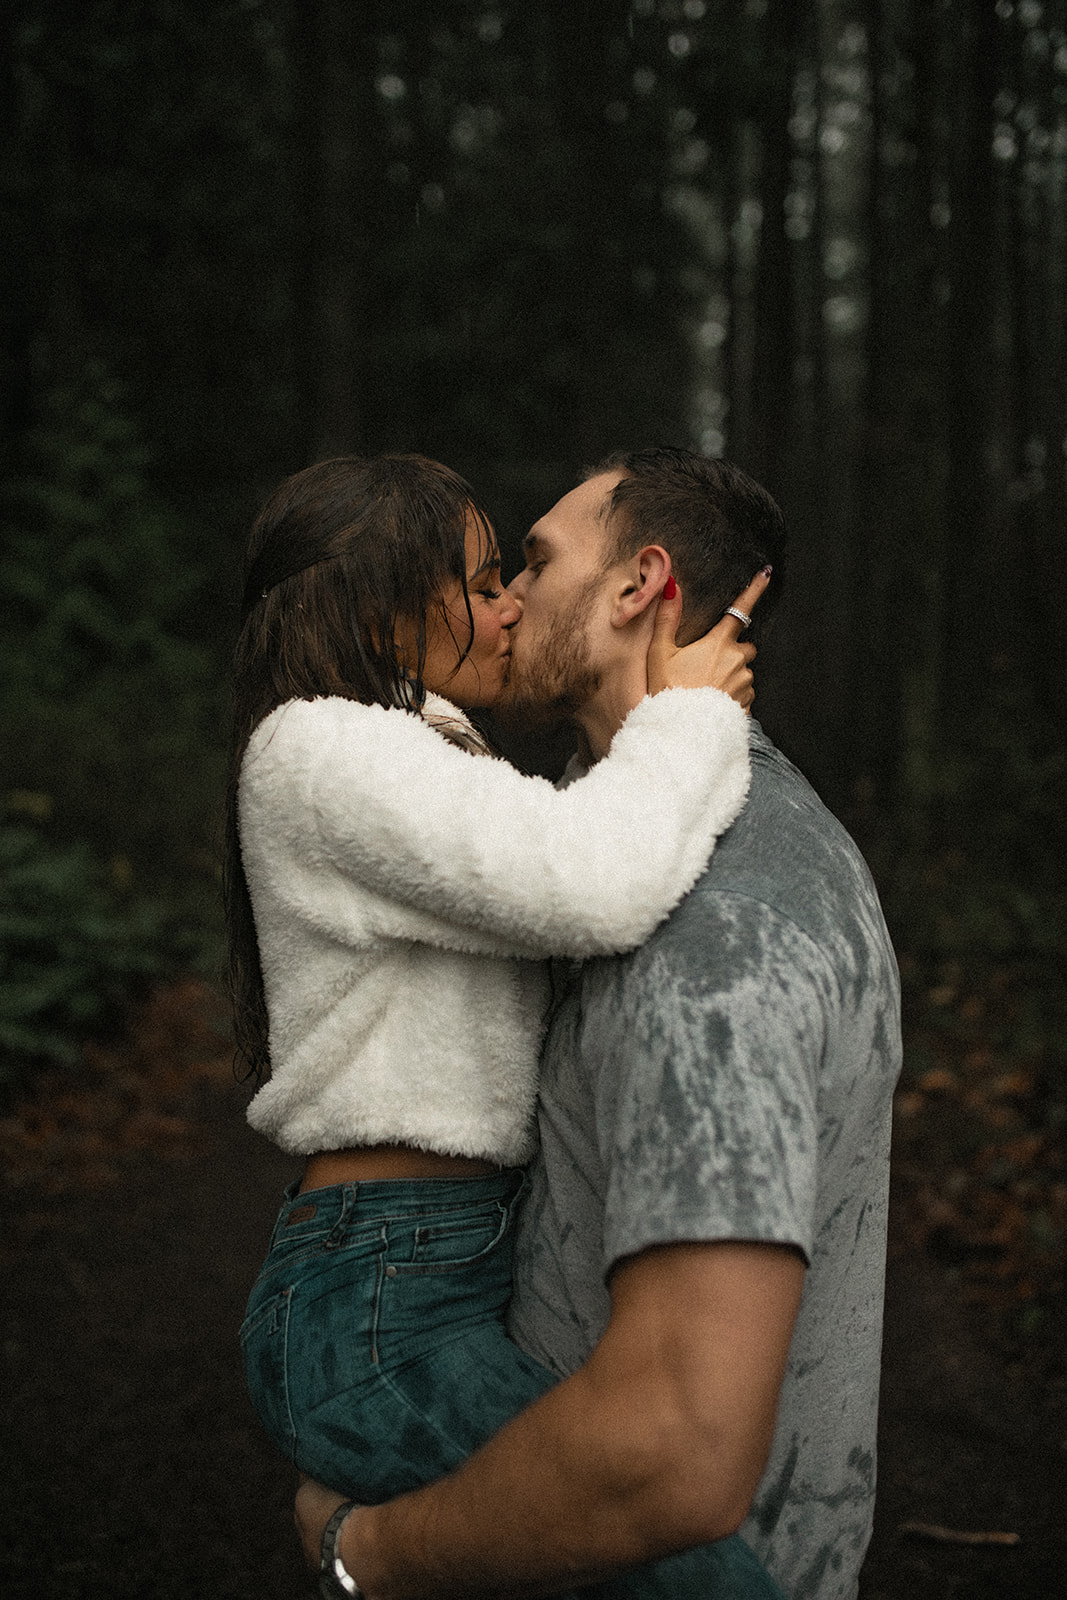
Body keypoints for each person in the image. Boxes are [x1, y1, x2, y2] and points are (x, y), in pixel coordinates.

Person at [296, 448, 902, 1600]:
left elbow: (672, 1442)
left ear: (639, 586)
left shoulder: (716, 922)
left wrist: (368, 1557)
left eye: (532, 560)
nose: (500, 600)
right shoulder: (621, 841)